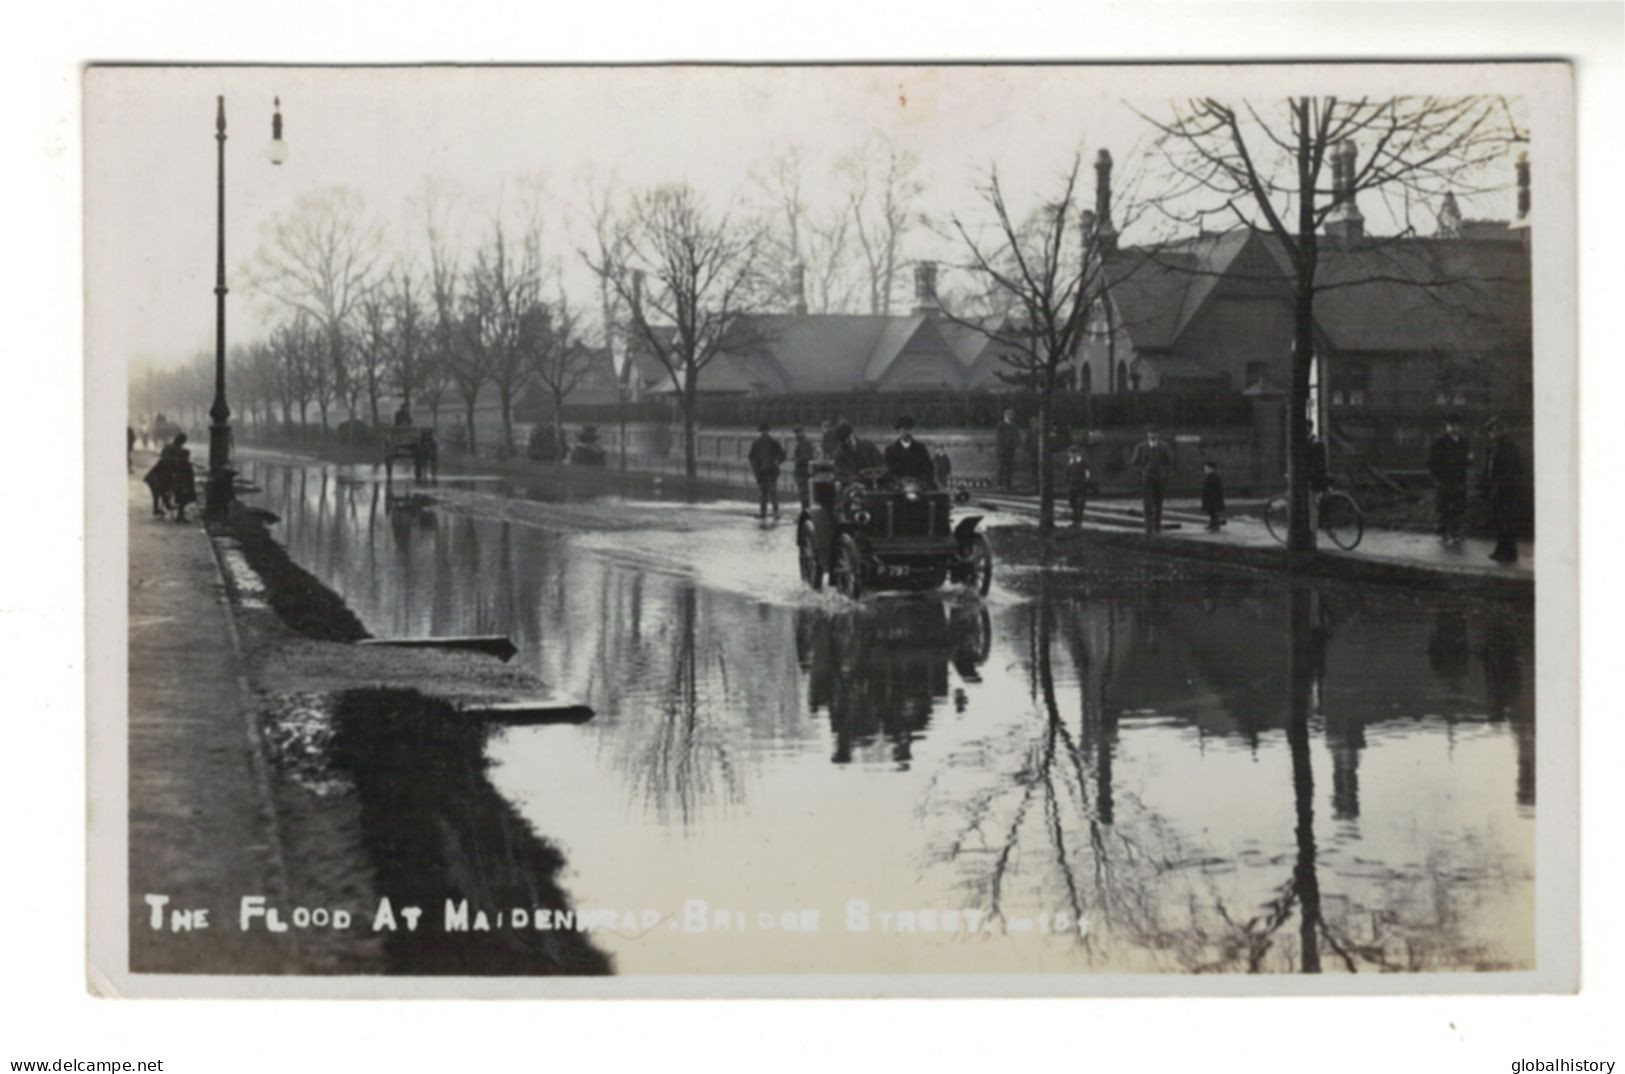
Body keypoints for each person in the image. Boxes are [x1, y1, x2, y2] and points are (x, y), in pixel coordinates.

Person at [1481, 416, 1524, 563]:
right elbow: (1489, 469)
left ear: (1499, 431)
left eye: (1493, 431)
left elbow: (1513, 470)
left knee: (1506, 522)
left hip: (1506, 491)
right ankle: (1500, 551)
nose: (1490, 434)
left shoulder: (1508, 447)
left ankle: (1510, 553)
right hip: (1497, 489)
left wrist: (1501, 486)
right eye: (1490, 431)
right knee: (1500, 522)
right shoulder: (1495, 446)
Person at [1427, 415, 1472, 545]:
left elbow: (1466, 462)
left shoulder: (1464, 442)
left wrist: (1469, 460)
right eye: (1450, 425)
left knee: (1459, 507)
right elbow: (1432, 462)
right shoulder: (1439, 443)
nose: (1453, 428)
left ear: (1460, 427)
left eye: (1456, 425)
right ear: (1446, 427)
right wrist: (1438, 478)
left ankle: (1457, 533)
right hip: (1444, 480)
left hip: (1459, 480)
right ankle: (1444, 534)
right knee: (1444, 507)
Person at [1130, 425, 1176, 534]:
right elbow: (1134, 462)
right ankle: (1148, 526)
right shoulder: (1141, 447)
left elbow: (1170, 461)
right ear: (1147, 434)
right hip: (1147, 478)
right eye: (1150, 433)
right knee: (1147, 503)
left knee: (1158, 502)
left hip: (1160, 477)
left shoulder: (1164, 446)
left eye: (1155, 433)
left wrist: (1166, 473)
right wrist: (1141, 474)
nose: (1152, 435)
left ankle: (1157, 525)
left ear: (1158, 434)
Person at [747, 423, 786, 519]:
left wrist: (756, 470)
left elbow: (751, 458)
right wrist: (777, 462)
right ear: (768, 431)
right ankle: (776, 512)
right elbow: (783, 455)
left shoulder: (756, 443)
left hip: (761, 472)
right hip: (772, 470)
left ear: (760, 431)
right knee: (773, 492)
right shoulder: (774, 442)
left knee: (763, 493)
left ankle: (763, 513)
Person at [884, 416, 936, 486]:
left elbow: (928, 469)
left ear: (912, 430)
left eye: (909, 429)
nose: (906, 432)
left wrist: (922, 482)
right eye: (904, 429)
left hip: (918, 486)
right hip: (898, 488)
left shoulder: (920, 449)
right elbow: (888, 471)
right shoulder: (891, 450)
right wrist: (898, 483)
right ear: (899, 430)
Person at [1064, 444, 1092, 527]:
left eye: (1073, 453)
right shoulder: (1069, 464)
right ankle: (1074, 521)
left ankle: (1079, 522)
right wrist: (1068, 483)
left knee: (1080, 504)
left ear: (1077, 453)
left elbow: (1088, 474)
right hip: (1072, 486)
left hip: (1080, 486)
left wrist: (1085, 483)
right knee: (1072, 504)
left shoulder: (1083, 463)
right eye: (1070, 453)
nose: (1071, 455)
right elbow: (1067, 475)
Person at [994, 409, 1021, 492]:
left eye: (1011, 415)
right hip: (1002, 451)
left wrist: (1015, 443)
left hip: (1011, 451)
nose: (1010, 417)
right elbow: (1000, 438)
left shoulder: (1014, 426)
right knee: (1000, 468)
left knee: (1010, 468)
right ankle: (999, 485)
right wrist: (1008, 444)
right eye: (1008, 415)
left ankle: (1008, 485)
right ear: (1005, 416)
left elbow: (1017, 437)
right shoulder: (1000, 425)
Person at [790, 426, 816, 508]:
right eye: (796, 433)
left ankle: (805, 513)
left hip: (802, 472)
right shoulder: (803, 442)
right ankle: (805, 512)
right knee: (804, 494)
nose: (796, 435)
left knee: (804, 494)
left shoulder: (804, 443)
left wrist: (796, 459)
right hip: (803, 472)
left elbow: (807, 457)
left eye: (798, 433)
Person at [1201, 460, 1227, 532]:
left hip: (1213, 498)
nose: (1205, 470)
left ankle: (1216, 525)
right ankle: (1212, 524)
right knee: (1211, 512)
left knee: (1214, 512)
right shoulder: (1209, 477)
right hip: (1209, 497)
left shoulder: (1215, 477)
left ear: (1211, 469)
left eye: (1206, 468)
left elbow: (1215, 488)